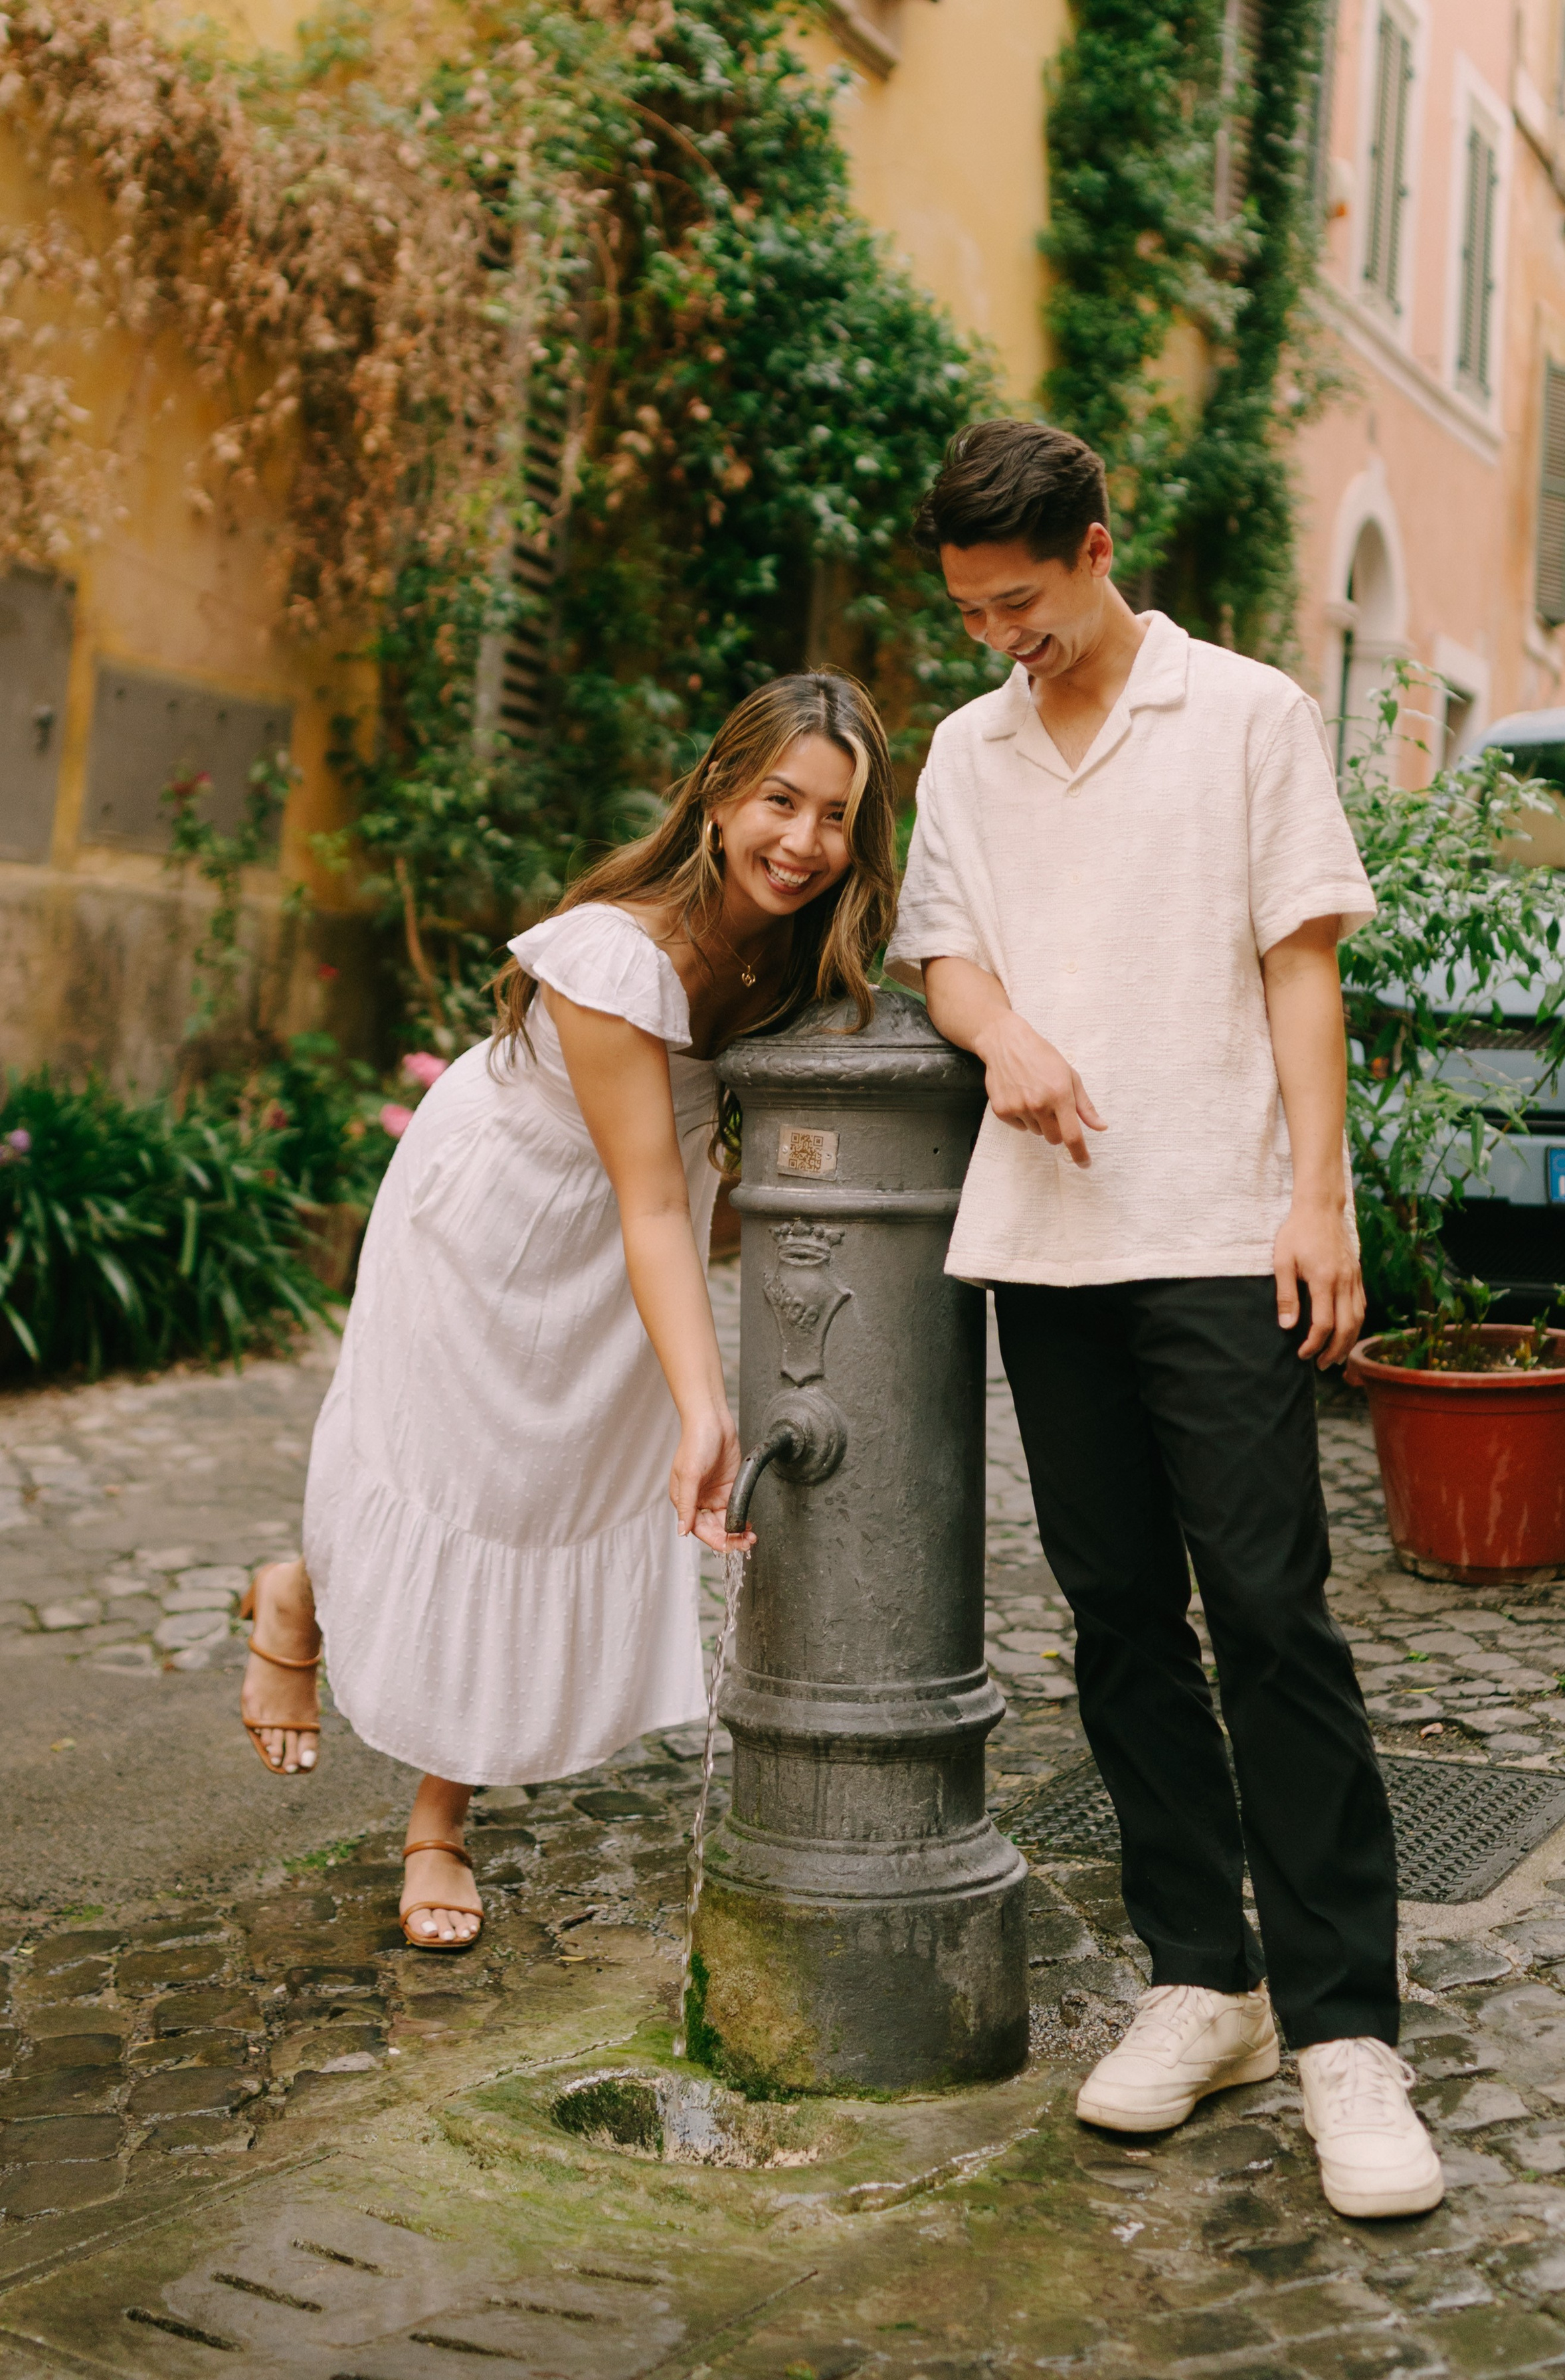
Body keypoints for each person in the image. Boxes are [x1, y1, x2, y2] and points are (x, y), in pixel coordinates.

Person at [886, 420, 1442, 2222]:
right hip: (1047, 1240)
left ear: (1098, 545)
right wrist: (1004, 1038)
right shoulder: (967, 752)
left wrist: (1319, 1199)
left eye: (1023, 603)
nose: (1000, 642)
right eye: (972, 612)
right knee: (1118, 1616)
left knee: (1270, 1608)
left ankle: (1349, 2025)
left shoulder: (1251, 717)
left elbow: (1304, 958)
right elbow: (947, 946)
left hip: (1213, 1220)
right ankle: (1204, 1983)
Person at [238, 673, 897, 1952]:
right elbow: (658, 1199)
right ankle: (354, 1683)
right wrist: (710, 1405)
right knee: (458, 1476)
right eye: (779, 800)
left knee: (538, 1496)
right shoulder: (614, 951)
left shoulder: (799, 950)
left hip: (615, 1252)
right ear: (718, 794)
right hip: (497, 1216)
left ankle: (391, 1730)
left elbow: (669, 1201)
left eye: (836, 817)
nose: (803, 842)